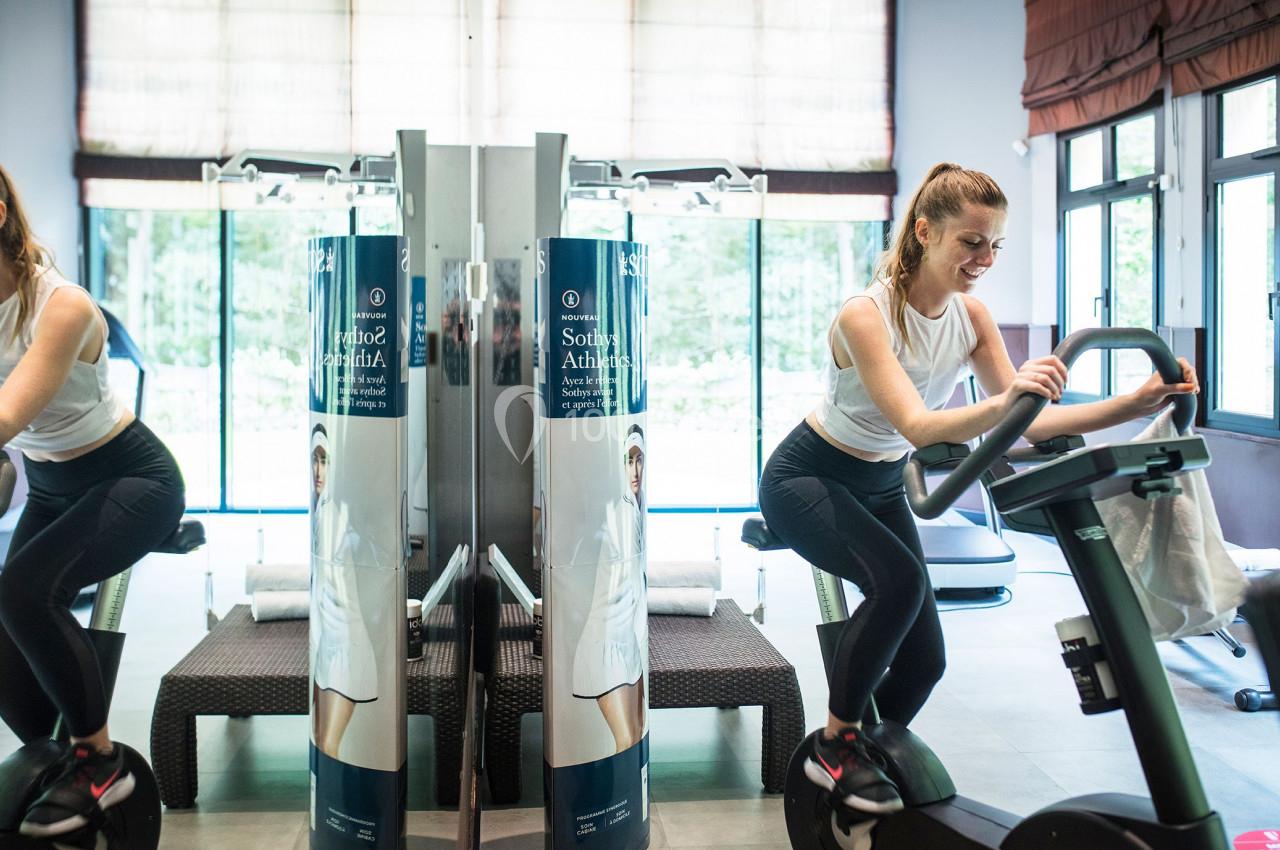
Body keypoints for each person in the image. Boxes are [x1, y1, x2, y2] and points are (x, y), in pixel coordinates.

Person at [758, 162, 1199, 817]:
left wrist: (1131, 405)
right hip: (808, 477)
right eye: (971, 242)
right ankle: (835, 743)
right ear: (926, 232)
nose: (985, 258)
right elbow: (919, 424)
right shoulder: (866, 315)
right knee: (898, 585)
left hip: (879, 485)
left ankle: (866, 752)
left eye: (995, 244)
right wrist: (1010, 400)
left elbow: (1029, 423)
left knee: (926, 660)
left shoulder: (972, 317)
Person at [0, 164, 186, 837]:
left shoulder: (64, 306)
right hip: (49, 486)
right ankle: (60, 751)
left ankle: (102, 762)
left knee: (26, 590)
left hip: (132, 480)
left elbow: (8, 414)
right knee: (7, 614)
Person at [570, 423, 648, 753]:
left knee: (636, 735)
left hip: (626, 643)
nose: (635, 470)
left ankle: (627, 801)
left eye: (639, 459)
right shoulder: (619, 513)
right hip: (604, 647)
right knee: (627, 740)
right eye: (627, 461)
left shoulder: (634, 508)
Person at [309, 423, 379, 759]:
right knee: (323, 743)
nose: (317, 471)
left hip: (347, 647)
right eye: (315, 460)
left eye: (326, 461)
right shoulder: (323, 511)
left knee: (329, 745)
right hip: (328, 646)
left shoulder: (337, 515)